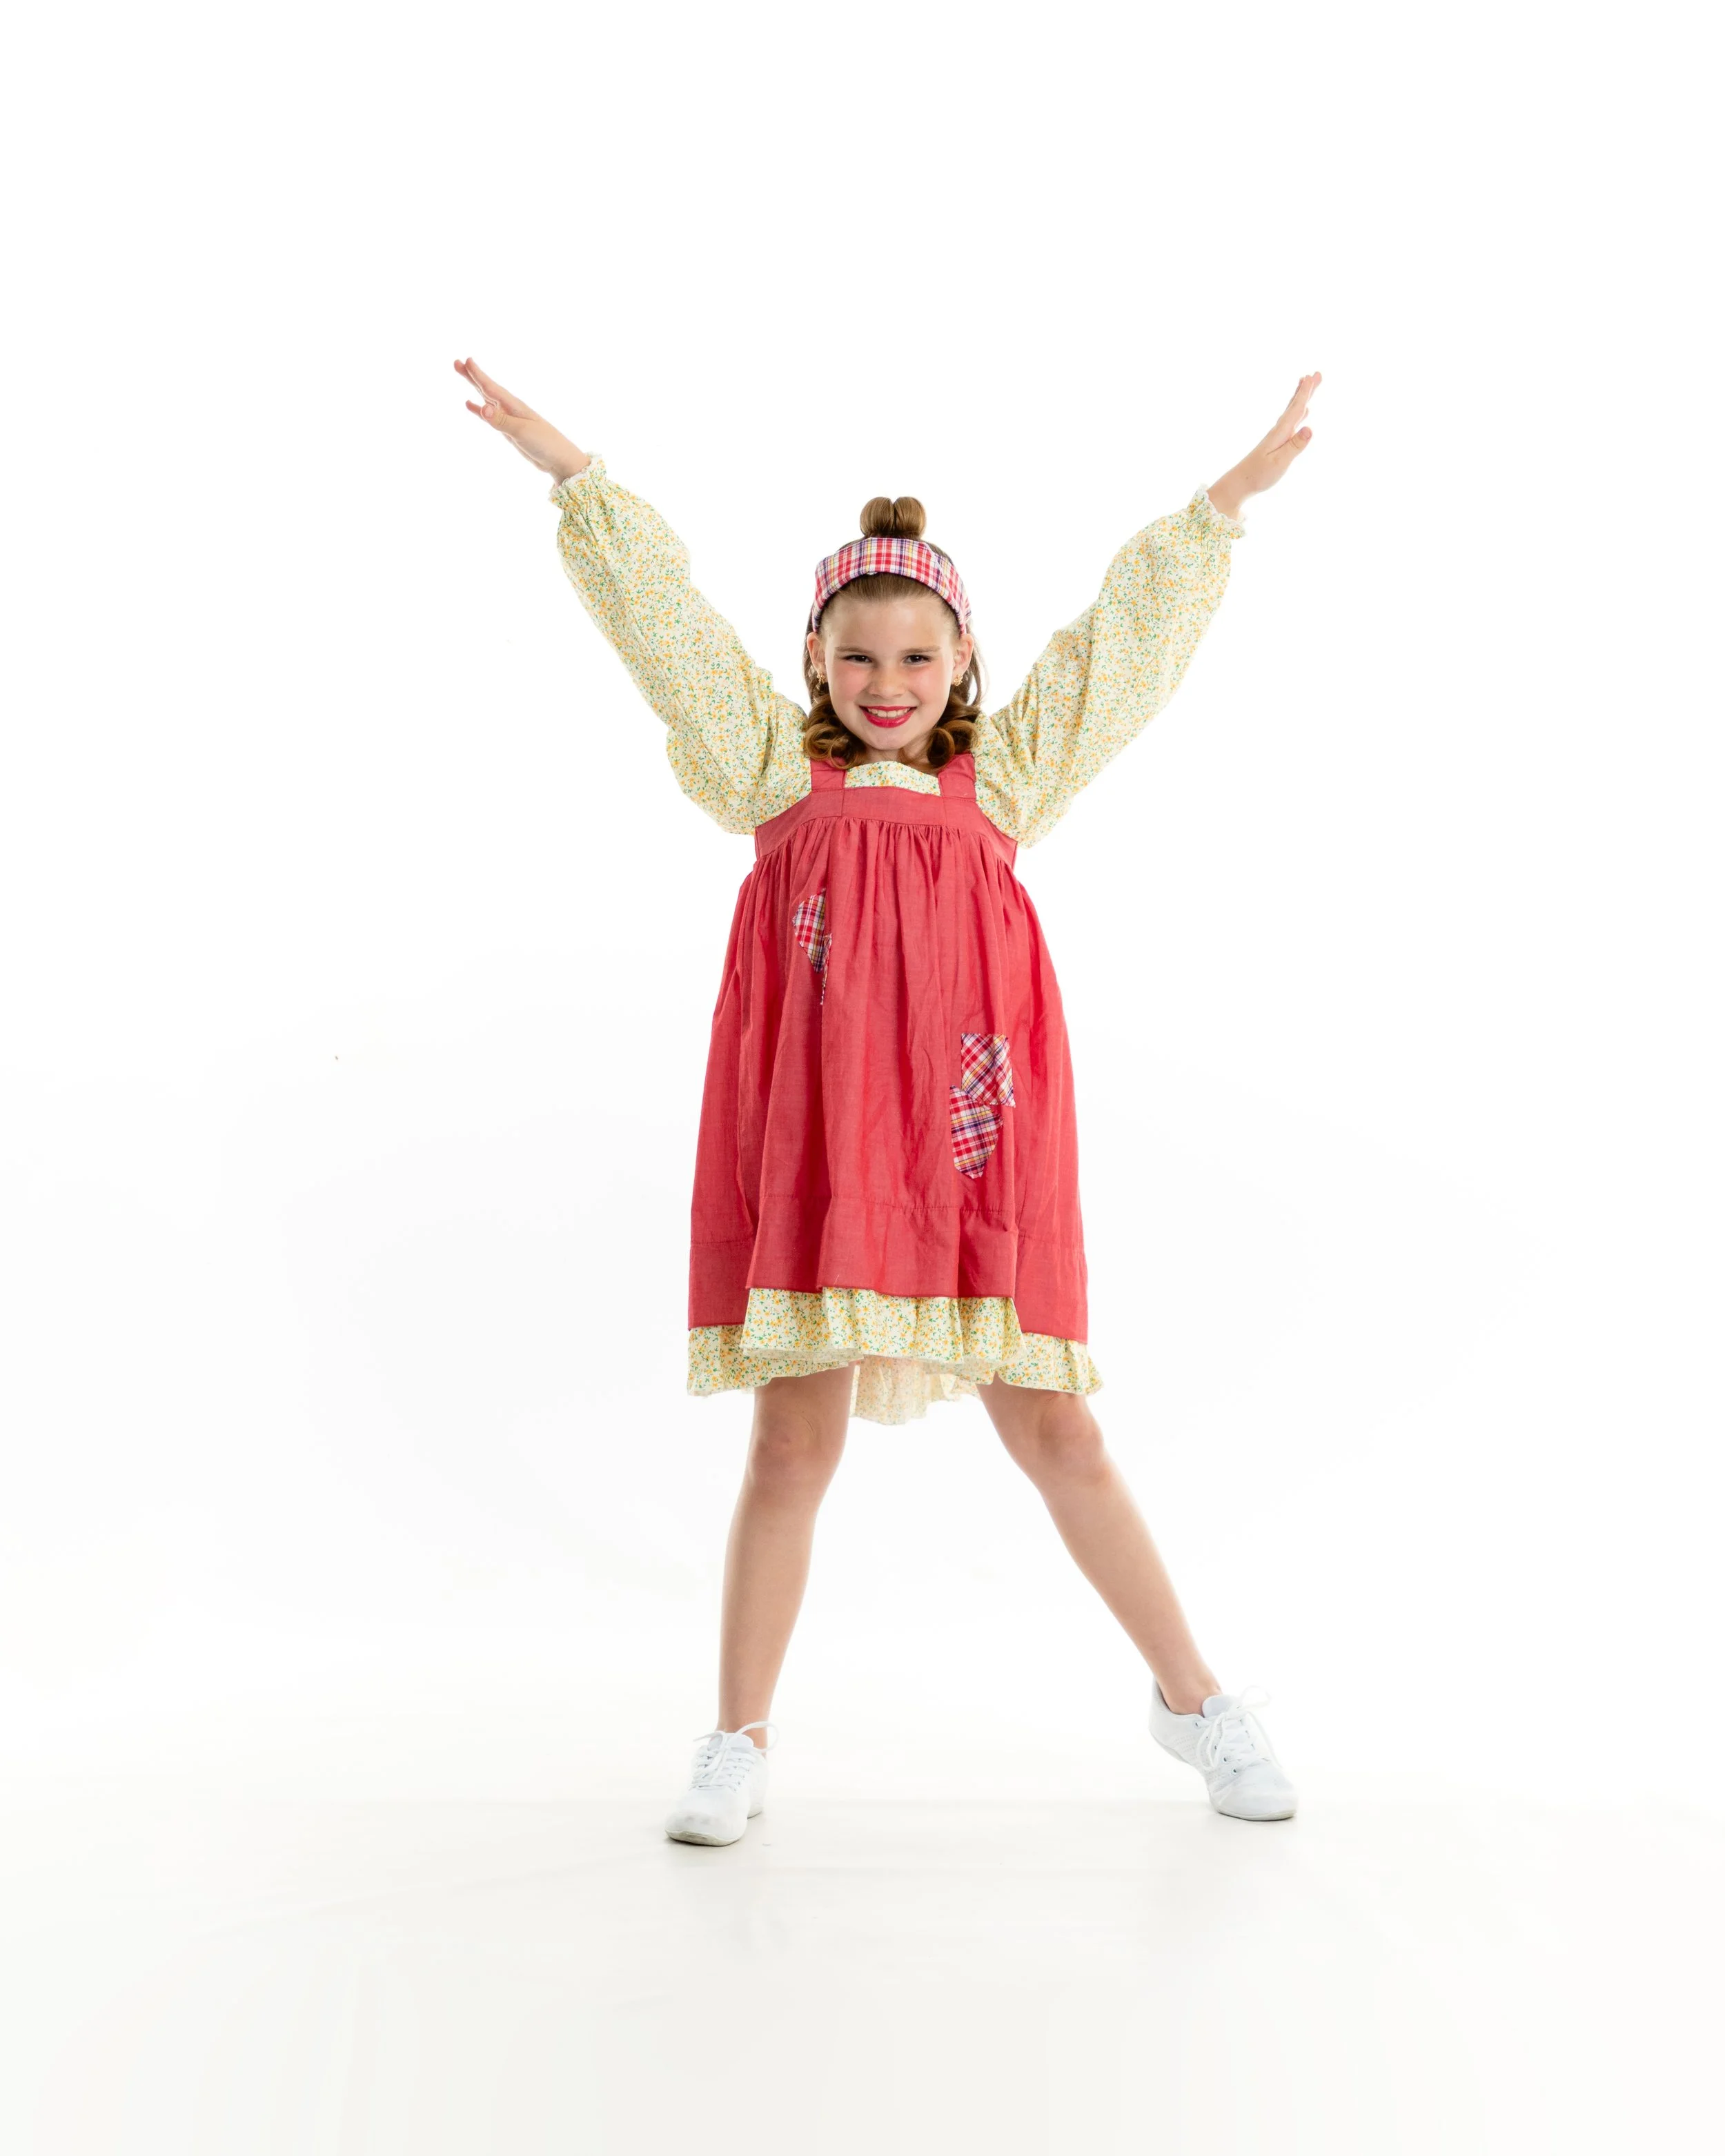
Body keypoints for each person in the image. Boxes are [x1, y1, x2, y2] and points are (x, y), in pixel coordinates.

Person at [455, 357, 1321, 1842]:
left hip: (976, 1143)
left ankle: (1193, 1698)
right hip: (821, 1152)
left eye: (915, 661)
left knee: (1057, 1435)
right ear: (814, 664)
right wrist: (574, 477)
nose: (886, 687)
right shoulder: (763, 768)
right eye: (857, 661)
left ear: (959, 662)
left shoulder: (1012, 776)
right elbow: (660, 626)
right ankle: (733, 1737)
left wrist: (1218, 511)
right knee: (792, 1443)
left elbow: (1118, 646)